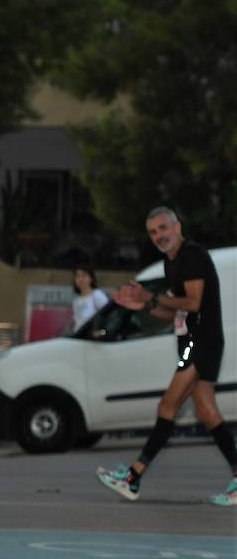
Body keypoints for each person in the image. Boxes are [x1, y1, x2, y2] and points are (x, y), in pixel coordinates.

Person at [96, 207, 236, 505]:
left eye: (163, 228)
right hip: (191, 340)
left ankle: (133, 477)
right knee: (207, 412)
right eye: (153, 232)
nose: (159, 235)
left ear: (177, 227)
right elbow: (176, 310)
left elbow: (195, 302)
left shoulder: (193, 255)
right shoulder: (171, 264)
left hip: (201, 342)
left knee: (167, 405)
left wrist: (150, 297)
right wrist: (143, 307)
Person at [71, 267, 110, 331]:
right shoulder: (76, 300)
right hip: (79, 335)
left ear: (91, 278)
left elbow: (107, 315)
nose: (80, 279)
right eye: (77, 276)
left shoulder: (97, 295)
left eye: (83, 276)